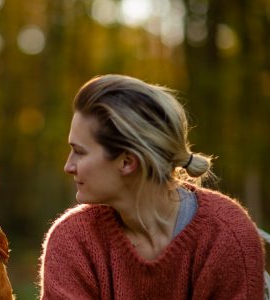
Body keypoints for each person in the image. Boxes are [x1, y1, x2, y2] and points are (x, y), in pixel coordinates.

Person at [39, 74, 264, 299]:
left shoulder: (227, 236)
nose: (69, 166)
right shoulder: (72, 241)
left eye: (79, 151)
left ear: (127, 161)